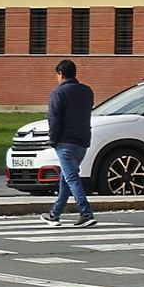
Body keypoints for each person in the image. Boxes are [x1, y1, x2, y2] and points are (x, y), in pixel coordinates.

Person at [41, 59, 97, 228]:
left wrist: (53, 139)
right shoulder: (87, 91)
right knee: (66, 178)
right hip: (82, 141)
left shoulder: (58, 93)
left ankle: (86, 213)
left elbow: (54, 119)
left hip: (65, 142)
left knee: (71, 178)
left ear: (61, 74)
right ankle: (54, 214)